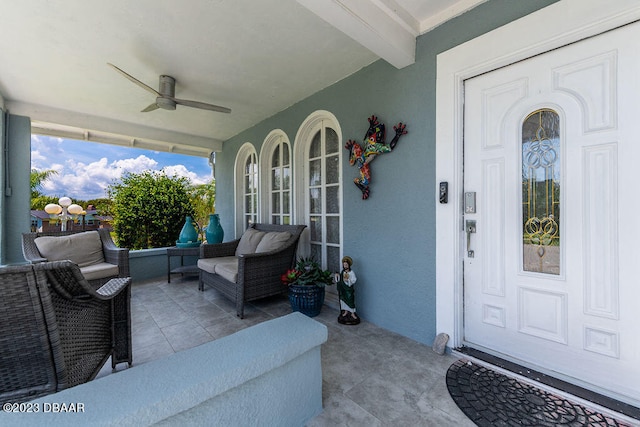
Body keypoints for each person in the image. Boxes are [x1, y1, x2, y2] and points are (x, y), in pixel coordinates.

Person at [336, 256, 359, 325]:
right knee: (344, 300)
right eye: (344, 265)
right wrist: (337, 276)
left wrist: (348, 280)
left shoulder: (351, 273)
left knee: (350, 301)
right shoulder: (342, 272)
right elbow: (340, 279)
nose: (345, 266)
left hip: (348, 289)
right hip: (343, 289)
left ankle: (352, 313)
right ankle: (345, 311)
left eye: (346, 264)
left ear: (349, 265)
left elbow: (354, 280)